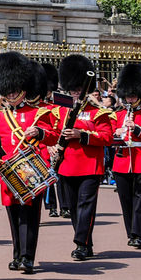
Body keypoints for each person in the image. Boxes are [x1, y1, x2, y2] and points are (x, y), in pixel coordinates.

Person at [0, 52, 56, 274]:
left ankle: (28, 256)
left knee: (29, 215)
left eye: (15, 91)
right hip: (8, 170)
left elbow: (53, 135)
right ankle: (17, 254)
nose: (11, 94)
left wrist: (39, 132)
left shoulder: (38, 113)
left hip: (30, 170)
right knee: (13, 215)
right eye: (8, 92)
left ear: (24, 90)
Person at [51, 53, 112, 260]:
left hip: (89, 166)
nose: (76, 93)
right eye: (73, 90)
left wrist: (81, 134)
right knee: (75, 208)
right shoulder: (60, 111)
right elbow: (51, 133)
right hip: (66, 164)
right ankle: (86, 242)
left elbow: (106, 137)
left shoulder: (98, 112)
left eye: (79, 90)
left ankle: (80, 244)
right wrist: (51, 146)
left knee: (86, 205)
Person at [111, 63, 141, 249]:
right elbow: (109, 137)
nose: (130, 98)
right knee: (126, 201)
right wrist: (116, 135)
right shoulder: (118, 115)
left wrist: (138, 129)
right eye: (127, 95)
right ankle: (130, 233)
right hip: (122, 161)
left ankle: (138, 234)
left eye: (132, 95)